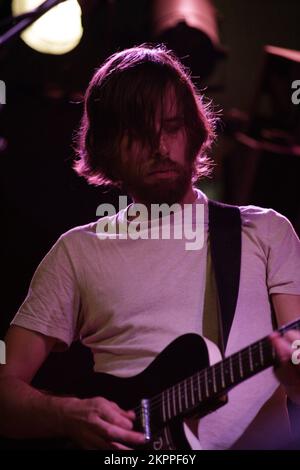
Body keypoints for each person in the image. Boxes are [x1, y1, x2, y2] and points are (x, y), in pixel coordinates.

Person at [0, 45, 300, 450]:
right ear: (106, 147)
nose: (160, 147)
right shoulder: (77, 251)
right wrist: (66, 415)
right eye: (139, 133)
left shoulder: (264, 230)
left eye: (172, 127)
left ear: (194, 131)